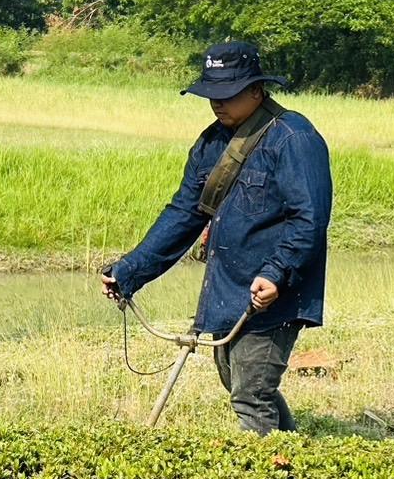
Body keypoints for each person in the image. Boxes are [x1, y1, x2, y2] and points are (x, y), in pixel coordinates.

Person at [102, 40, 332, 434]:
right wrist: (130, 271)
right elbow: (184, 214)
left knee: (251, 394)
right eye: (212, 94)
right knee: (241, 382)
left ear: (257, 91)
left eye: (228, 94)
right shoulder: (212, 143)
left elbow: (309, 219)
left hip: (273, 291)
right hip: (228, 288)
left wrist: (276, 273)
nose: (217, 103)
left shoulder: (293, 138)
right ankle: (293, 458)